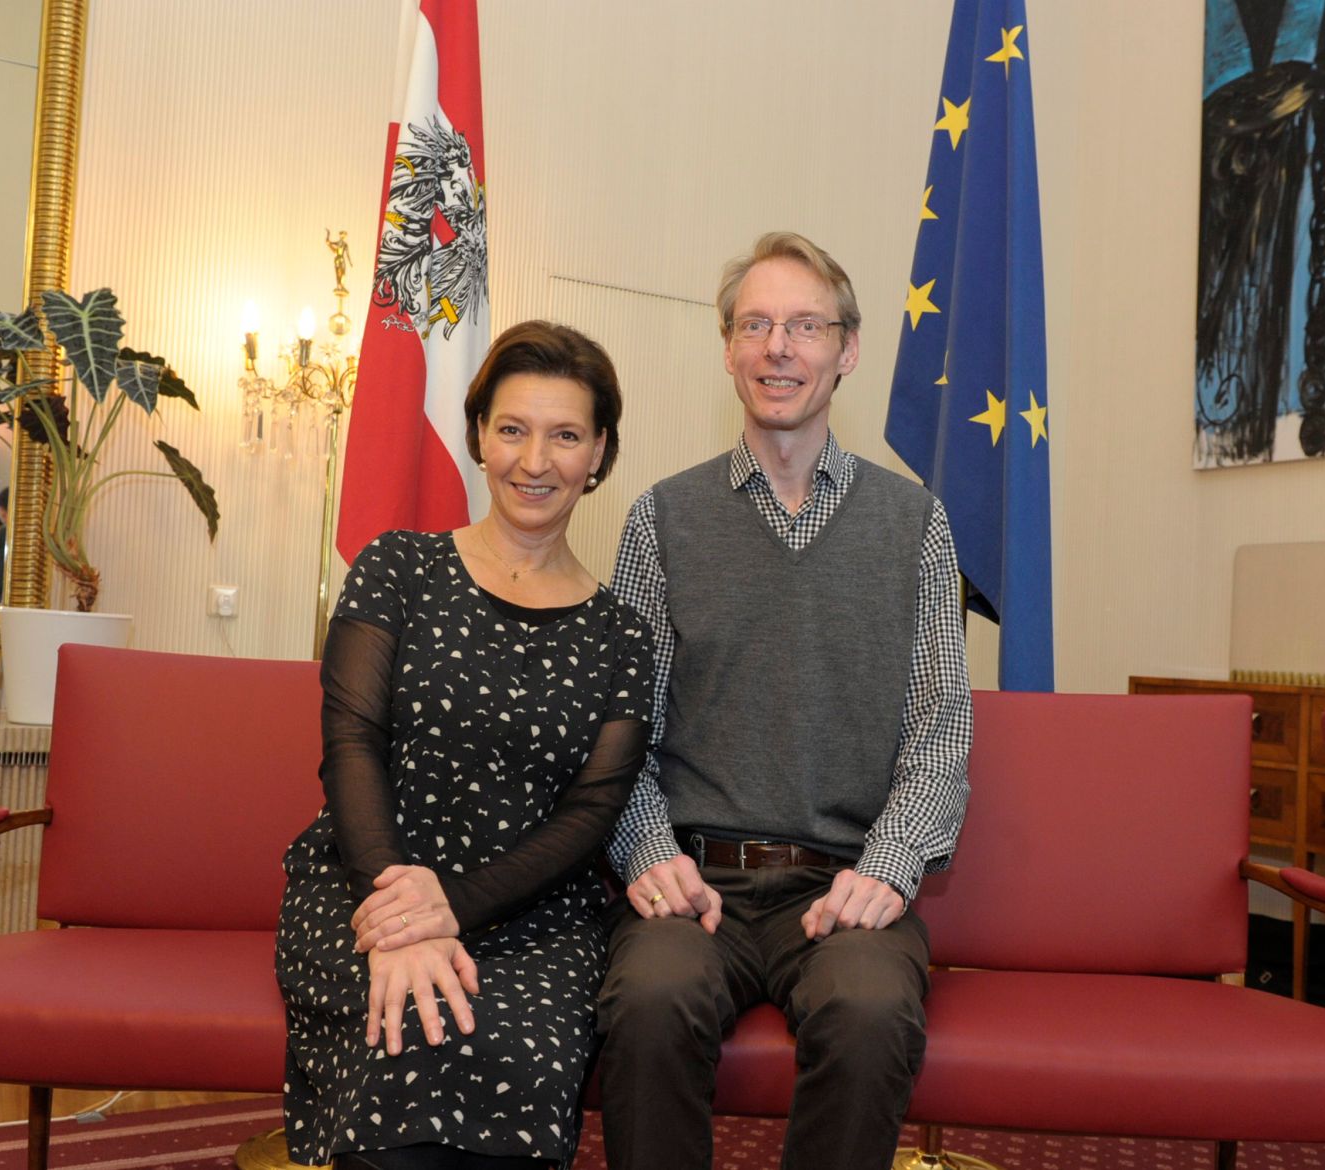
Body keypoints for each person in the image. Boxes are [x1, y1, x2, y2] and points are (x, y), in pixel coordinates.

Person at [597, 231, 973, 1170]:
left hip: (842, 883)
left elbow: (939, 729)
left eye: (806, 326)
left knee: (873, 1010)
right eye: (756, 324)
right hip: (697, 885)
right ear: (727, 348)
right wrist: (647, 849)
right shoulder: (661, 519)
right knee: (644, 1006)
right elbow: (620, 730)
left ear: (847, 350)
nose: (779, 347)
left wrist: (886, 871)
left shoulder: (917, 525)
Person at [276, 320, 652, 1170]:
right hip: (364, 884)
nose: (534, 459)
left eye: (565, 436)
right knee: (404, 1038)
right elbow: (352, 743)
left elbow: (595, 811)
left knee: (511, 1055)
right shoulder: (398, 569)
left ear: (599, 454)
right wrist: (404, 908)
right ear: (479, 434)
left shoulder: (624, 634)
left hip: (532, 914)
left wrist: (457, 908)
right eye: (513, 429)